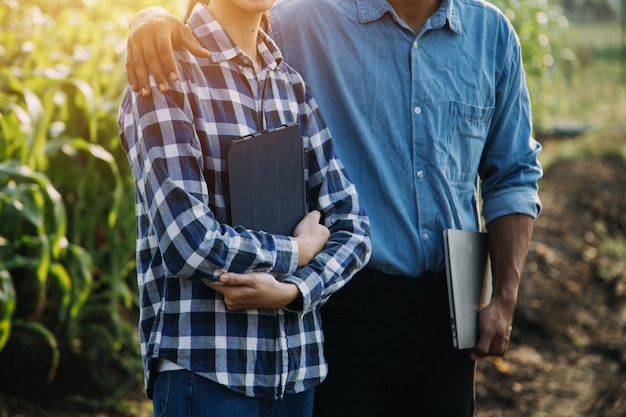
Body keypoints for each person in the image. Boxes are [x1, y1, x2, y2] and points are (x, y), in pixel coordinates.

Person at [125, 0, 543, 416]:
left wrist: (504, 297)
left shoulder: (491, 34)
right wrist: (152, 19)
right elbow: (217, 30)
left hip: (449, 309)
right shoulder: (300, 22)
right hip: (342, 309)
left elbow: (513, 175)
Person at [118, 0, 372, 416]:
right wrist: (297, 252)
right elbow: (189, 241)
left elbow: (354, 229)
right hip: (207, 374)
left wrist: (292, 291)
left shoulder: (291, 85)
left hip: (296, 375)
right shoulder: (166, 72)